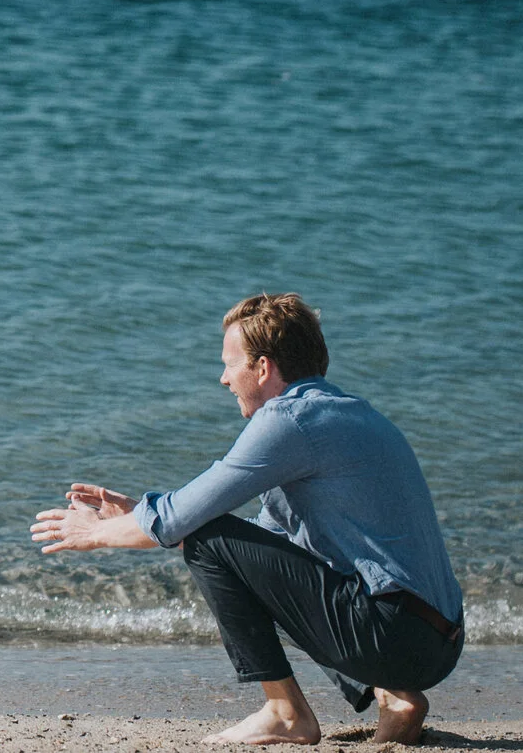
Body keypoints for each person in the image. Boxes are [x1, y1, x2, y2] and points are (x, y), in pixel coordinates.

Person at [29, 294, 463, 746]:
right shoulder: (353, 413)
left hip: (392, 638)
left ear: (262, 368)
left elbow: (190, 526)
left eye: (229, 364)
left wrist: (96, 532)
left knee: (207, 537)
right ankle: (394, 694)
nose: (223, 379)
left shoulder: (288, 420)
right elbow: (255, 548)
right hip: (436, 643)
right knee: (214, 540)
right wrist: (141, 515)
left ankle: (285, 712)